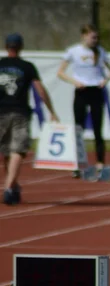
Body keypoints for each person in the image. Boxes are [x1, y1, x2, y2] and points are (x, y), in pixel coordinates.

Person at [1, 33, 59, 206]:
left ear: (6, 47)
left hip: (1, 111)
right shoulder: (27, 67)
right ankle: (9, 186)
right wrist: (51, 110)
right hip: (20, 112)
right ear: (20, 47)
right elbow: (40, 90)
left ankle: (12, 184)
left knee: (6, 151)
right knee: (17, 149)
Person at [57, 24, 110, 180]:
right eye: (92, 37)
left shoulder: (101, 51)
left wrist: (105, 80)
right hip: (82, 91)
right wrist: (74, 81)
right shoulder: (73, 51)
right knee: (78, 129)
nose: (95, 40)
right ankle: (77, 164)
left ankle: (100, 164)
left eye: (96, 37)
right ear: (84, 36)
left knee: (98, 129)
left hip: (96, 91)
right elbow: (60, 72)